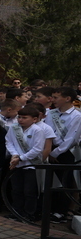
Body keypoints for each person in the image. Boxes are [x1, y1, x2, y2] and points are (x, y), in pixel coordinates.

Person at [6, 104, 54, 221]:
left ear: (34, 119)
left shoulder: (38, 130)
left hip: (31, 164)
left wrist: (21, 158)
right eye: (19, 117)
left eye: (24, 117)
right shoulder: (14, 127)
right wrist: (15, 155)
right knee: (16, 189)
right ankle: (16, 211)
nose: (21, 120)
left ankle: (29, 214)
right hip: (16, 163)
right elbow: (9, 141)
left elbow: (37, 149)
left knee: (30, 191)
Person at [48, 87, 81, 220]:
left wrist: (55, 153)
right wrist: (48, 150)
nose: (53, 100)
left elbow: (71, 139)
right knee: (51, 181)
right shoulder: (51, 113)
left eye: (56, 97)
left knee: (65, 181)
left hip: (66, 151)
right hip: (49, 149)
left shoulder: (77, 116)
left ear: (67, 98)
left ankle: (61, 211)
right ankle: (50, 207)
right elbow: (47, 132)